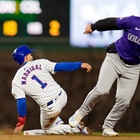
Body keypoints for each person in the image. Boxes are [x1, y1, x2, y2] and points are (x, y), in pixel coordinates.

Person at [69, 15, 140, 136]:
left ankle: (108, 127)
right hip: (115, 58)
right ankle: (79, 113)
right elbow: (112, 22)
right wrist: (94, 26)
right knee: (102, 90)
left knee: (124, 101)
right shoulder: (134, 21)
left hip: (134, 67)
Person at [11, 45, 92, 135]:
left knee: (47, 130)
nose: (32, 56)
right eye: (30, 54)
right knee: (53, 126)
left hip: (51, 107)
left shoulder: (16, 80)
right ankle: (59, 125)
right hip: (62, 96)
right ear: (26, 57)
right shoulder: (40, 63)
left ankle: (76, 129)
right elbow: (60, 66)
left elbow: (21, 102)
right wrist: (79, 64)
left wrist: (21, 122)